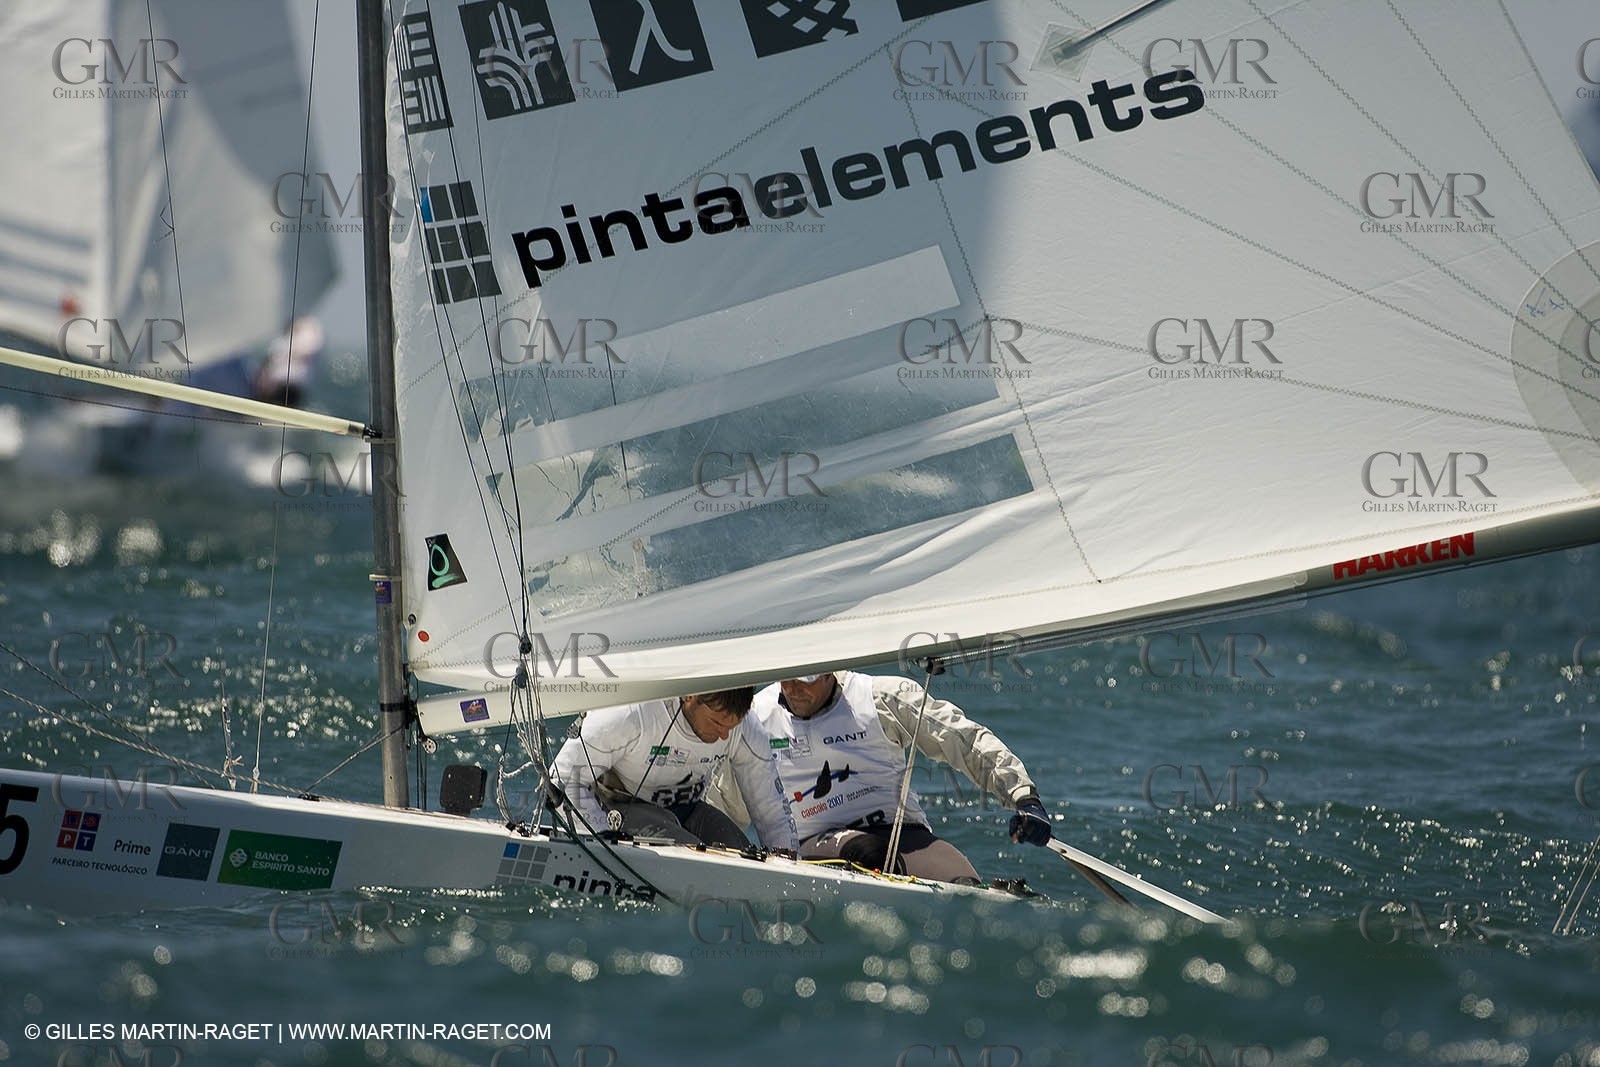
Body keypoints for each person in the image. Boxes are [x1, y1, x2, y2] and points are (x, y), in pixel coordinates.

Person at [747, 671, 1051, 883]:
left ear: (830, 672)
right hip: (810, 843)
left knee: (963, 879)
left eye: (807, 679)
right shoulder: (756, 717)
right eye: (788, 677)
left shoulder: (881, 698)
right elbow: (729, 796)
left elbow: (963, 740)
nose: (794, 687)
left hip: (899, 832)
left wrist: (1023, 797)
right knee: (868, 853)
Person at [549, 687, 796, 852]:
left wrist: (789, 867)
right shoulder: (632, 712)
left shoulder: (746, 726)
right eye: (717, 722)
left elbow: (772, 813)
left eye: (731, 727)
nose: (724, 735)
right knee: (700, 863)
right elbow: (561, 778)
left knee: (743, 854)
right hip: (622, 808)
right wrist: (603, 836)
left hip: (690, 810)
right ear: (689, 697)